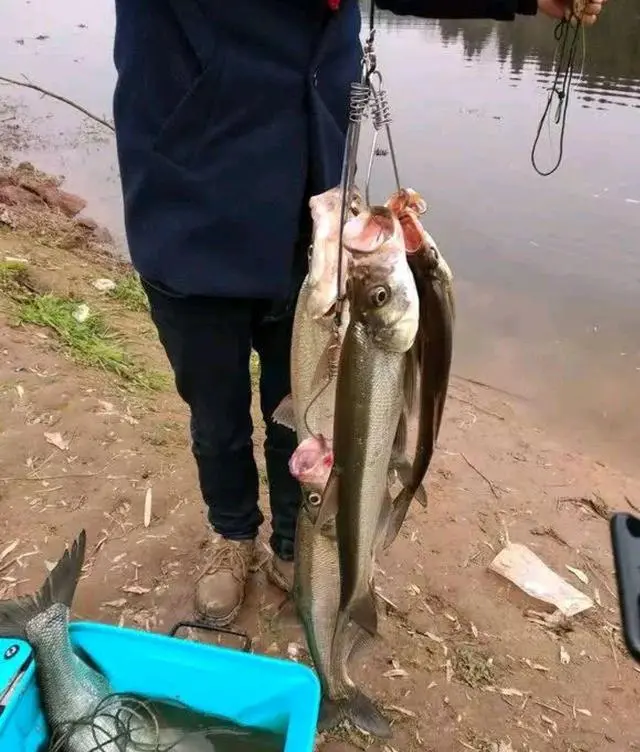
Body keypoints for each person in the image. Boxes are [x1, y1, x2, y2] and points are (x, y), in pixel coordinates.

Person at [111, 0, 607, 627]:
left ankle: (296, 543)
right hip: (192, 202)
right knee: (216, 411)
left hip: (313, 208)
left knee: (308, 409)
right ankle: (233, 535)